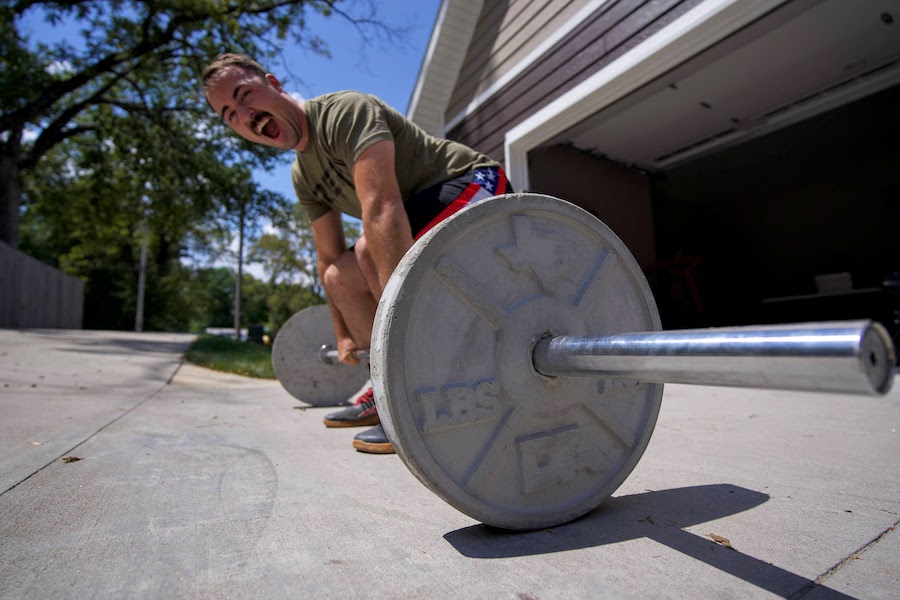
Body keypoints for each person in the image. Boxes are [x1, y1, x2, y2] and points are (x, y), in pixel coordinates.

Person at [202, 53, 513, 454]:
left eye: (245, 94)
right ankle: (385, 389)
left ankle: (417, 387)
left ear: (274, 84)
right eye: (229, 114)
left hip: (476, 182)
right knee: (339, 276)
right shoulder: (303, 175)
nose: (243, 114)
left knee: (370, 248)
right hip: (413, 211)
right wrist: (342, 333)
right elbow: (328, 257)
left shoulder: (344, 112)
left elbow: (381, 208)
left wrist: (401, 326)